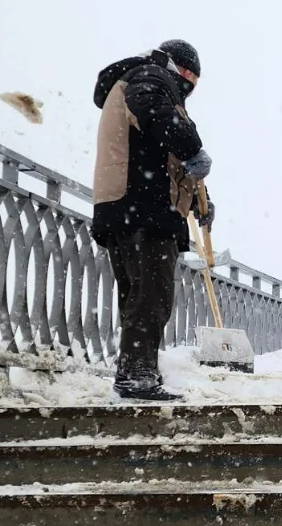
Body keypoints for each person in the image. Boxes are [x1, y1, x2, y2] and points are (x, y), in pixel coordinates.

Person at [91, 40, 214, 401]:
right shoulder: (149, 77)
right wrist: (193, 146)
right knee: (151, 296)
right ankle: (136, 374)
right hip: (141, 206)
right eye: (189, 74)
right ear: (176, 66)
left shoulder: (140, 80)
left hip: (127, 205)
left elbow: (167, 161)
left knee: (139, 296)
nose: (190, 83)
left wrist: (197, 202)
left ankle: (136, 370)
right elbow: (157, 117)